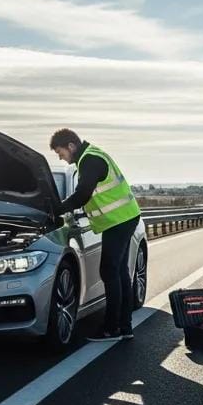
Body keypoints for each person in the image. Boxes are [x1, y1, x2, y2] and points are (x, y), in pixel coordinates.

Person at [49, 128, 142, 342]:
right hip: (124, 218)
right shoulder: (92, 155)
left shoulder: (90, 160)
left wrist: (57, 209)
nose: (61, 158)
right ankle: (124, 327)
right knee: (119, 273)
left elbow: (82, 195)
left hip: (119, 221)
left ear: (71, 146)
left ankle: (112, 329)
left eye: (60, 152)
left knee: (109, 272)